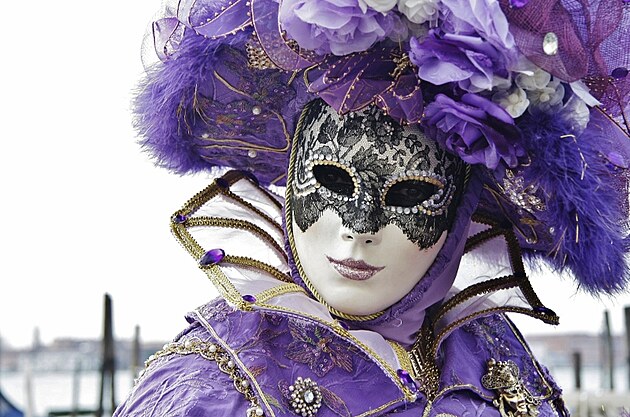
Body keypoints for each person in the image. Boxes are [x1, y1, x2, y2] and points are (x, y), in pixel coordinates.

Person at [115, 0, 630, 416]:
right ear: (291, 176)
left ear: (458, 212)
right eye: (332, 180)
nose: (359, 228)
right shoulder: (212, 385)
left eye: (409, 194)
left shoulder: (490, 352)